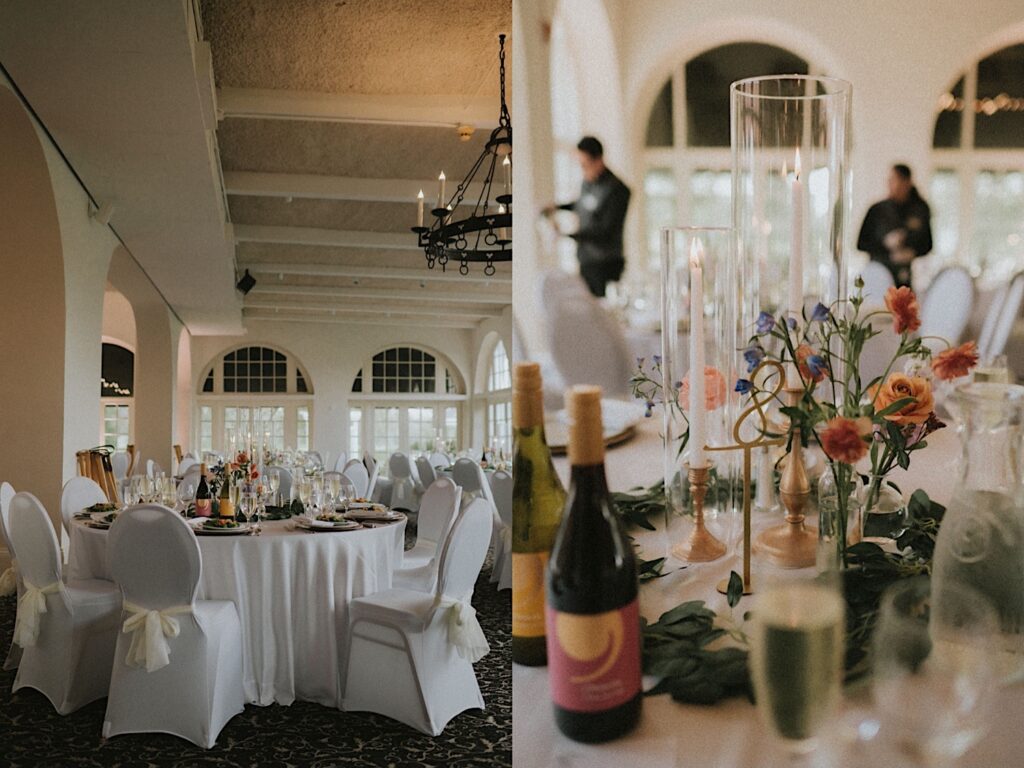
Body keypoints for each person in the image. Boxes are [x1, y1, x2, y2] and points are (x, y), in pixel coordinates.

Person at [544, 136, 631, 298]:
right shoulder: (587, 183)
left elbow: (605, 232)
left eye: (585, 165)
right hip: (586, 261)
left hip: (606, 264)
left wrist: (566, 234)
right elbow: (581, 205)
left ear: (598, 160)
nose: (583, 170)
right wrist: (557, 207)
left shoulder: (618, 190)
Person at [857, 164, 933, 289]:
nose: (889, 184)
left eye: (893, 180)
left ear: (906, 182)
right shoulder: (877, 210)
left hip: (903, 280)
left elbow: (927, 244)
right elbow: (861, 243)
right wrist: (886, 245)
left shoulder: (920, 210)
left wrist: (912, 253)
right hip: (878, 277)